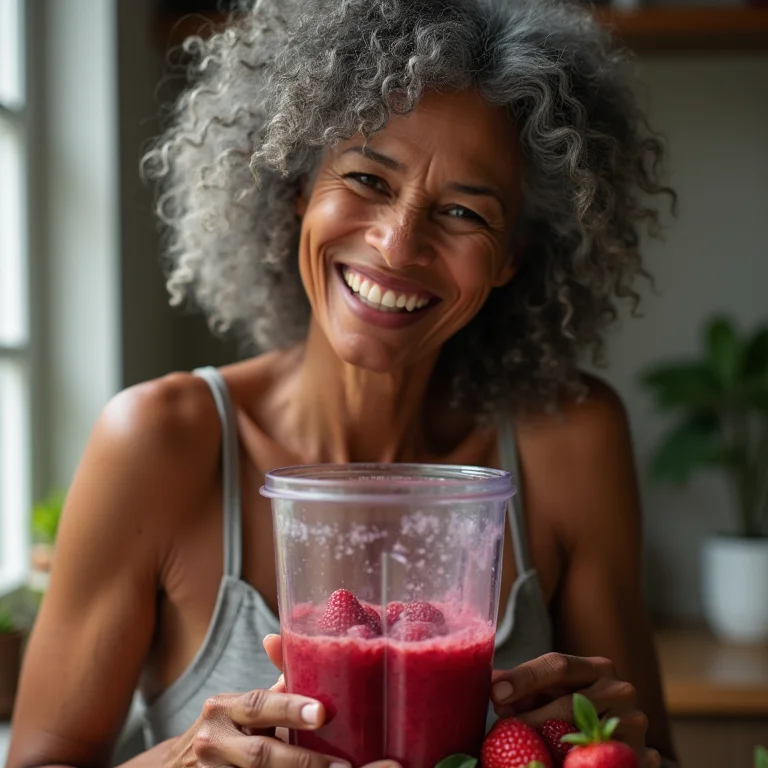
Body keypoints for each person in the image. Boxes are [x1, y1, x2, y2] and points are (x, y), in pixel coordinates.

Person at [8, 0, 680, 766]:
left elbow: (649, 751)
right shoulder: (162, 443)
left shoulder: (568, 440)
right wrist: (178, 761)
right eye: (367, 177)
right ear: (298, 186)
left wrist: (622, 746)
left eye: (463, 212)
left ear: (512, 261)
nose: (397, 244)